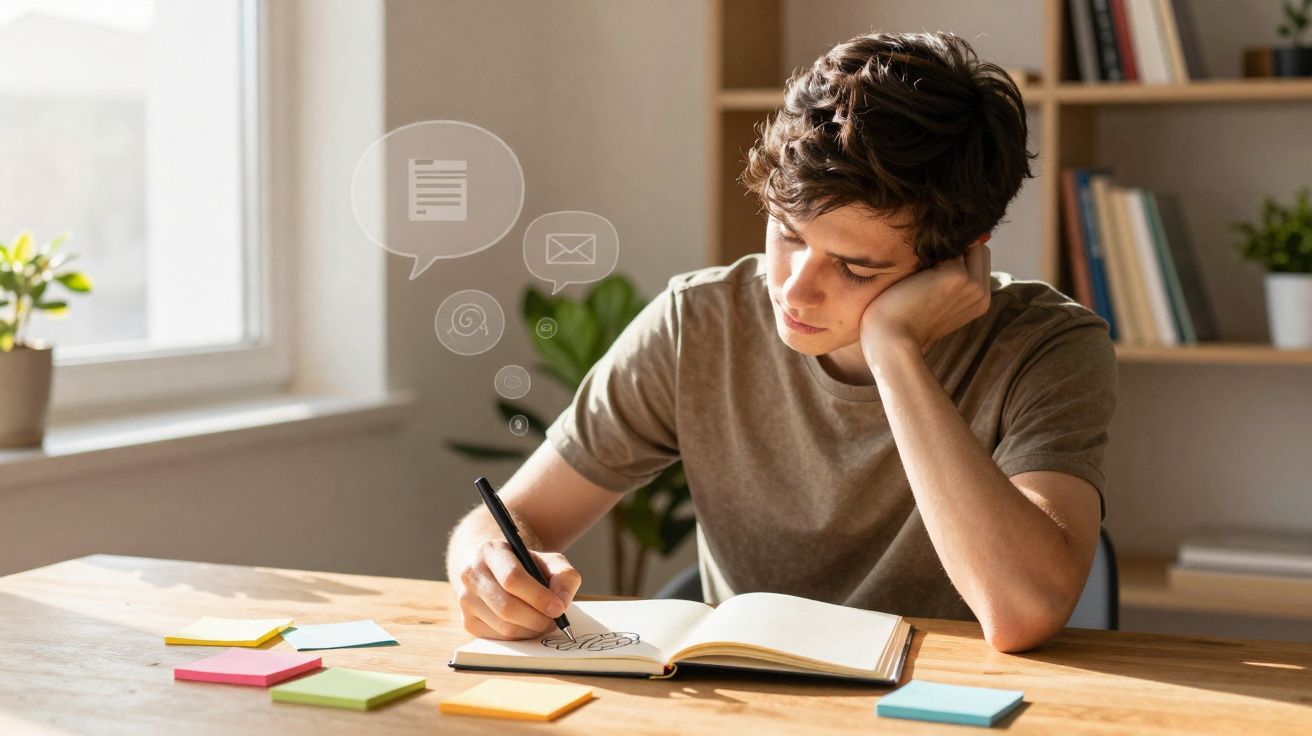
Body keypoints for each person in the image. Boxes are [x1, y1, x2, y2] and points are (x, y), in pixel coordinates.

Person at [445, 31, 1117, 653]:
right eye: (788, 235)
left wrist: (894, 352)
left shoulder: (1047, 349)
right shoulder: (697, 325)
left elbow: (1023, 611)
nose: (794, 289)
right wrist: (488, 568)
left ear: (958, 257)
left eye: (855, 267)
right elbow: (509, 520)